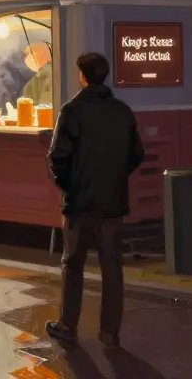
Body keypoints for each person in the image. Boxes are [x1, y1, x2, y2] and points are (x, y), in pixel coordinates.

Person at [45, 52, 144, 349]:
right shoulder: (122, 111)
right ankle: (110, 333)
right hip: (112, 204)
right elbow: (136, 154)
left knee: (72, 265)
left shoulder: (71, 111)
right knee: (112, 268)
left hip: (80, 205)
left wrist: (69, 186)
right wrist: (115, 177)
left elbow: (57, 157)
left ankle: (68, 325)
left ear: (82, 76)